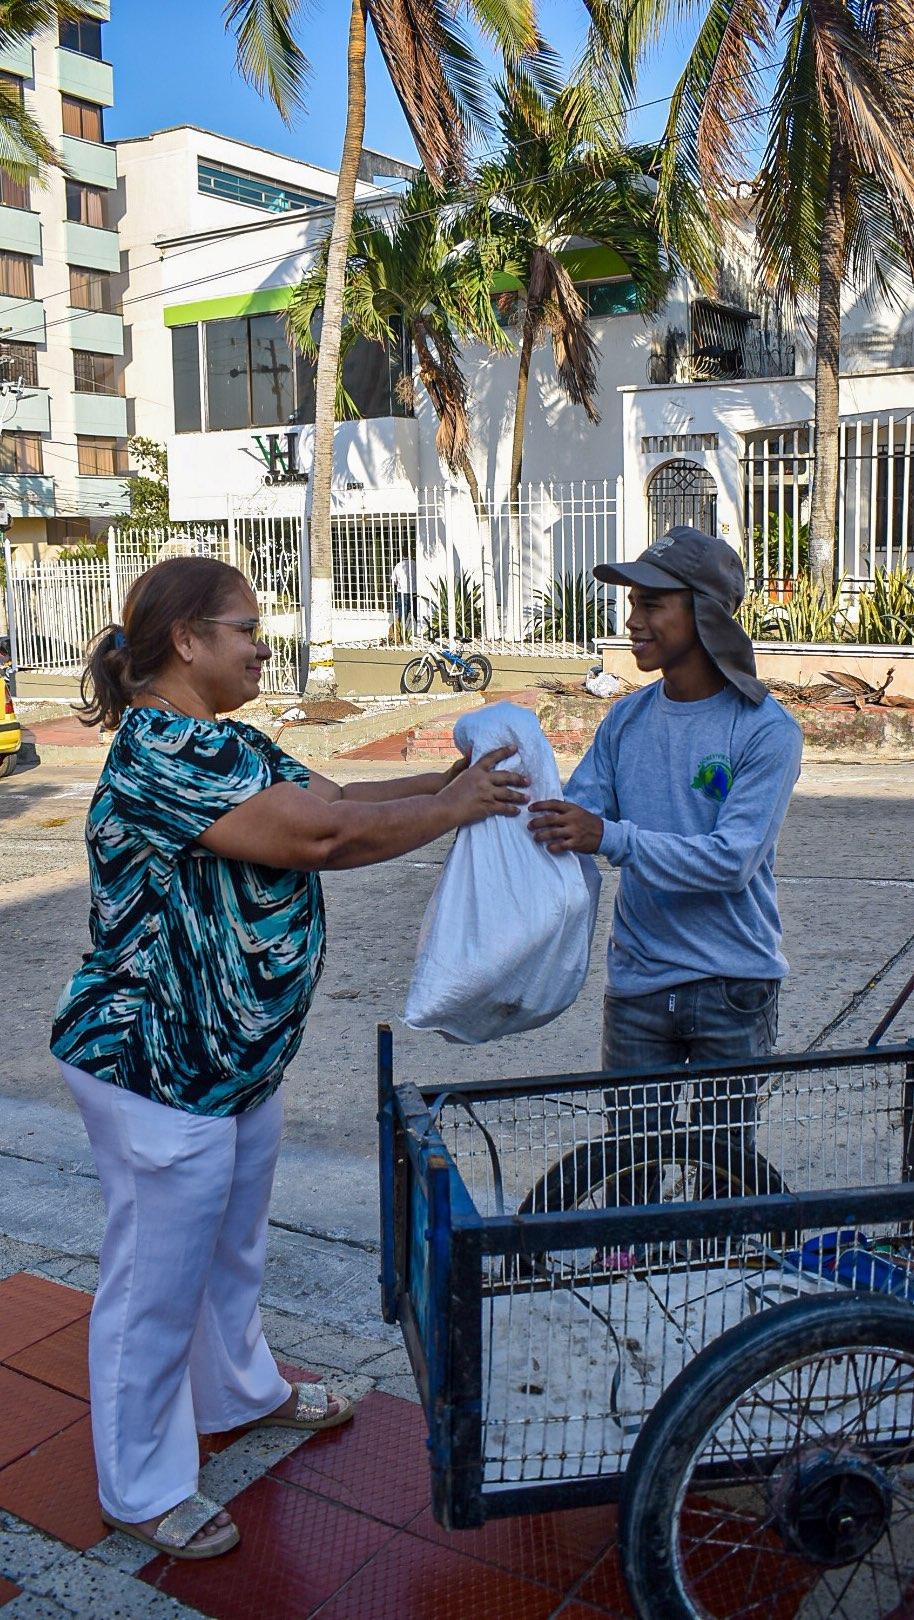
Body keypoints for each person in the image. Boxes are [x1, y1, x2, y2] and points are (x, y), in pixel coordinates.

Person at [50, 556, 527, 1562]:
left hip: (232, 1063)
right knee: (153, 1283)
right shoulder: (163, 751)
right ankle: (141, 1482)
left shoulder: (228, 740)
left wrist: (443, 783)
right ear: (186, 641)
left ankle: (240, 1389)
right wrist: (452, 812)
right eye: (244, 628)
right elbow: (318, 837)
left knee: (230, 1252)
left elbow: (340, 792)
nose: (263, 645)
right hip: (154, 1064)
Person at [528, 525, 802, 1136]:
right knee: (631, 1172)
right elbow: (573, 815)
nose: (632, 619)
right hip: (639, 987)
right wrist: (495, 788)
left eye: (651, 603)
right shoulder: (625, 719)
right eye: (631, 602)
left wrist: (611, 837)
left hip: (734, 985)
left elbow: (732, 861)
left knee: (721, 1177)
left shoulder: (765, 731)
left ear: (704, 613)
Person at [391, 554, 418, 635]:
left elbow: (394, 581)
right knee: (417, 612)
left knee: (403, 613)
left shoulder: (398, 565)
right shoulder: (415, 564)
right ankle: (422, 631)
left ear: (402, 556)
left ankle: (401, 633)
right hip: (414, 591)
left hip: (402, 592)